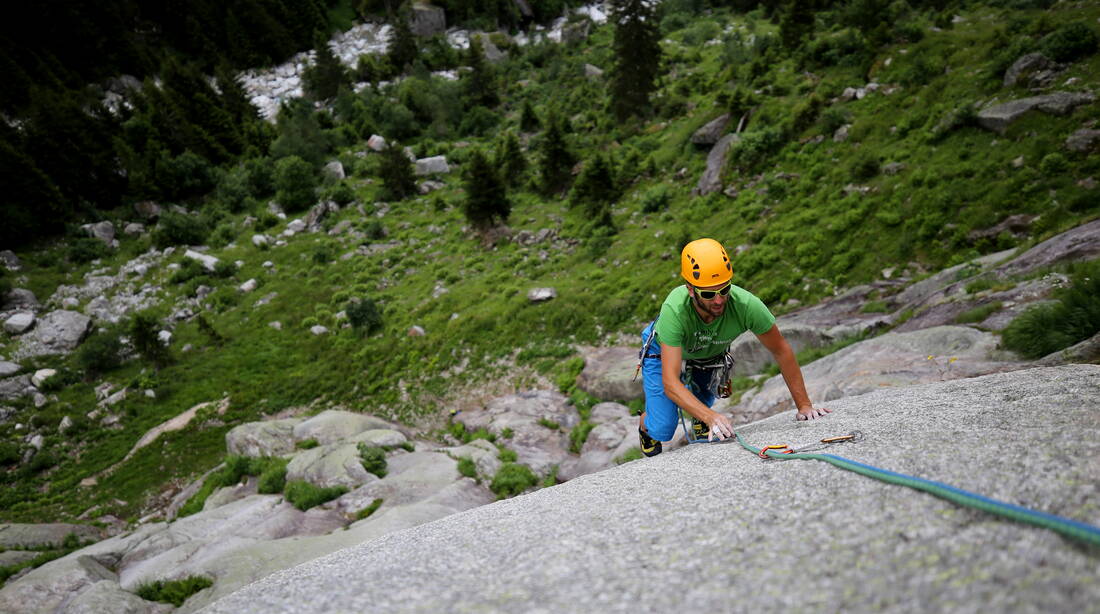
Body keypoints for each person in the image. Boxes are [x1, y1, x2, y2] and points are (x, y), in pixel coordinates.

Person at [638, 238, 829, 457]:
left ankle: (699, 413)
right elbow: (670, 382)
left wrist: (804, 405)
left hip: (709, 352)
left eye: (724, 290)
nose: (719, 300)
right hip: (661, 351)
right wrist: (712, 417)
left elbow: (781, 350)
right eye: (708, 294)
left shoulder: (746, 305)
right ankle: (646, 423)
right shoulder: (675, 309)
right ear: (690, 289)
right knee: (662, 428)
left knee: (702, 420)